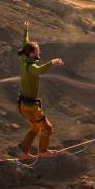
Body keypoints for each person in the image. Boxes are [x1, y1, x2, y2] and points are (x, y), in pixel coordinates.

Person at [17, 21, 64, 159]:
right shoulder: (31, 67)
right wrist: (51, 62)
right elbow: (39, 70)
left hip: (23, 105)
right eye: (37, 50)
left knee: (34, 128)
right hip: (31, 107)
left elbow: (25, 43)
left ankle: (23, 153)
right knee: (47, 128)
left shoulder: (23, 58)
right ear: (31, 54)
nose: (39, 51)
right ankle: (43, 151)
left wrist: (26, 30)